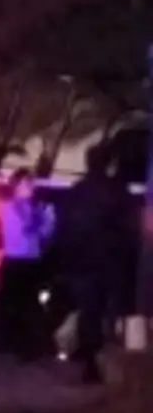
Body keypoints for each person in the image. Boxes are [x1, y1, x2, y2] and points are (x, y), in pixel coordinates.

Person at [55, 144, 135, 384]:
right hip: (109, 265)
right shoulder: (117, 193)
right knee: (109, 315)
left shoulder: (75, 193)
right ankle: (105, 364)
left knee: (88, 314)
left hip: (81, 265)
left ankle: (90, 361)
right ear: (110, 164)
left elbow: (63, 229)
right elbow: (128, 232)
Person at [0, 168, 56, 359]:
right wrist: (43, 216)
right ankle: (10, 343)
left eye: (31, 183)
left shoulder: (33, 208)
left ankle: (28, 345)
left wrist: (49, 219)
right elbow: (27, 229)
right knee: (14, 305)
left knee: (30, 305)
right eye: (26, 183)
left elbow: (44, 234)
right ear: (16, 186)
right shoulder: (9, 207)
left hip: (31, 262)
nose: (30, 187)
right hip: (15, 262)